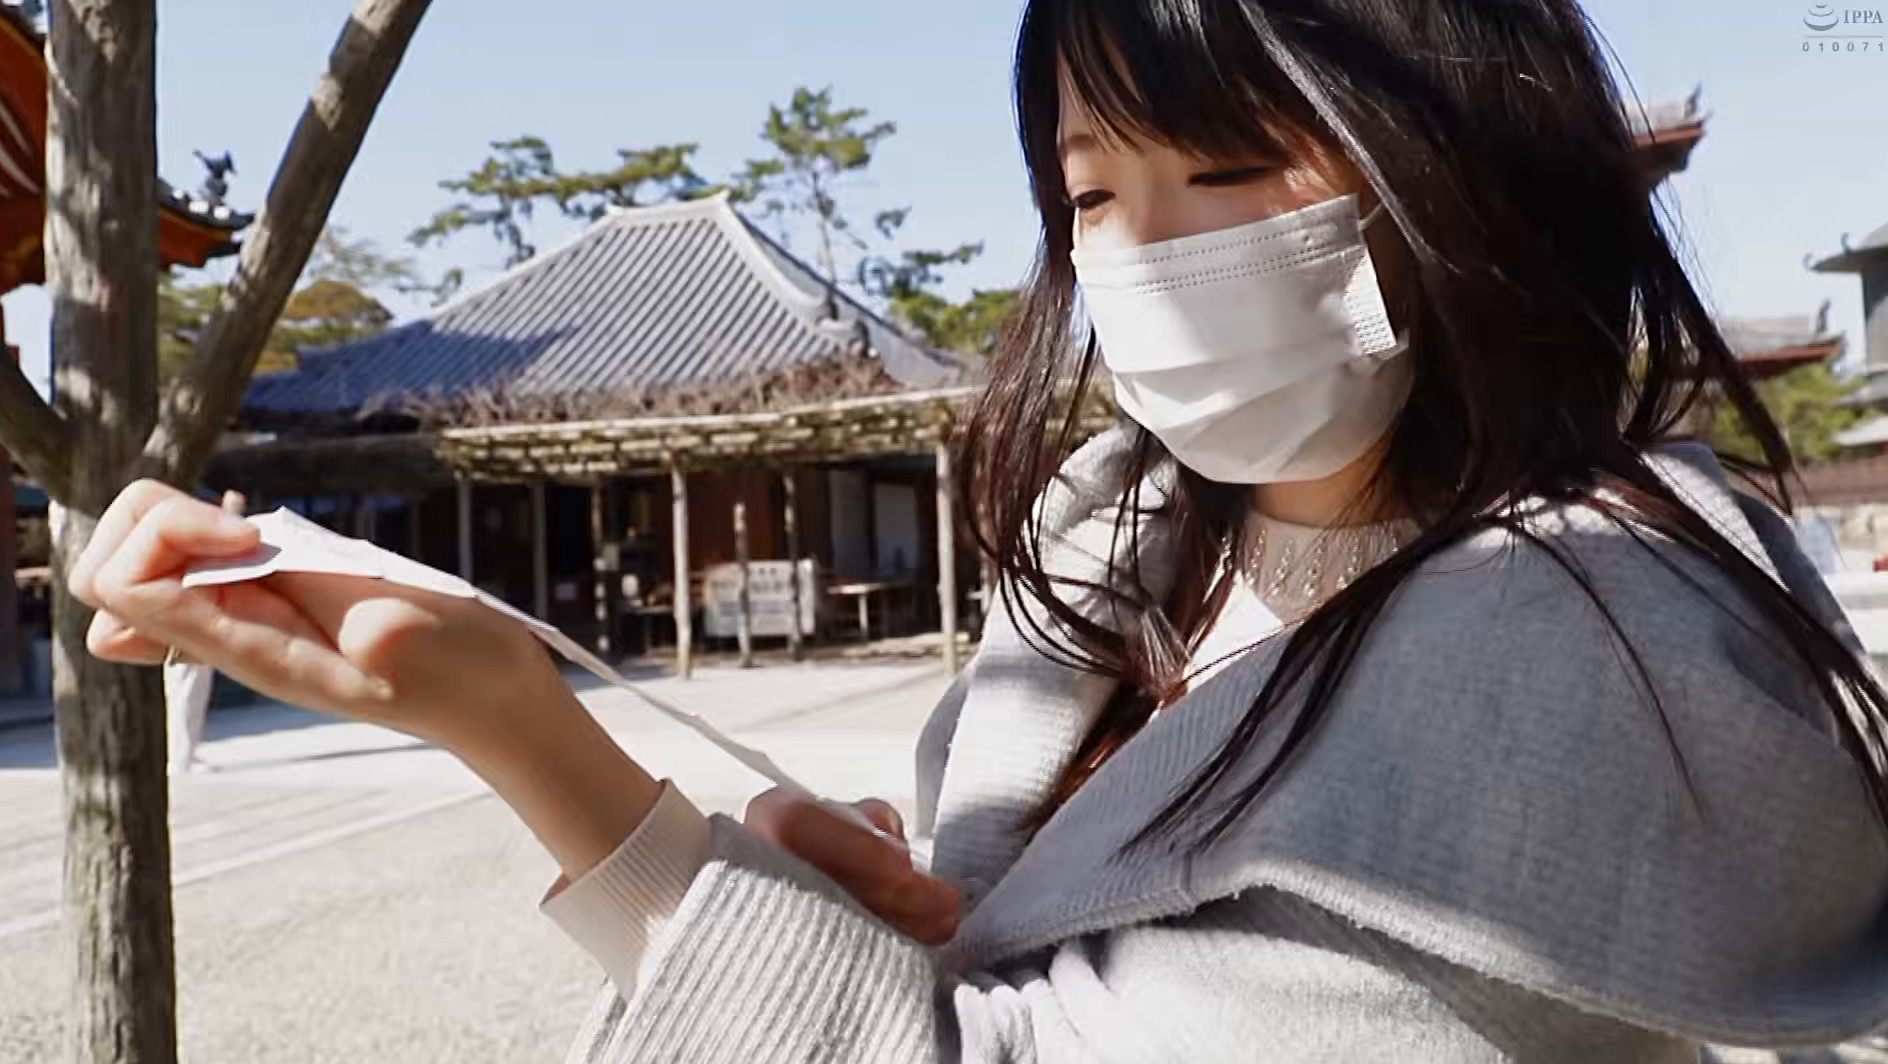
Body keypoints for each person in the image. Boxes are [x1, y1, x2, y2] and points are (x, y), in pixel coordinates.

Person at [67, 0, 1888, 1059]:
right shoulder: (1109, 550)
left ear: (1472, 162)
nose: (1151, 254)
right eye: (1093, 190)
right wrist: (825, 908)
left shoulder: (1590, 637)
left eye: (1235, 166)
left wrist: (516, 724)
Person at [162, 490, 244, 775]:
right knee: (185, 690)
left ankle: (184, 752)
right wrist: (230, 513)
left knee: (189, 690)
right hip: (188, 624)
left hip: (193, 623)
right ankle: (181, 756)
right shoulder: (195, 544)